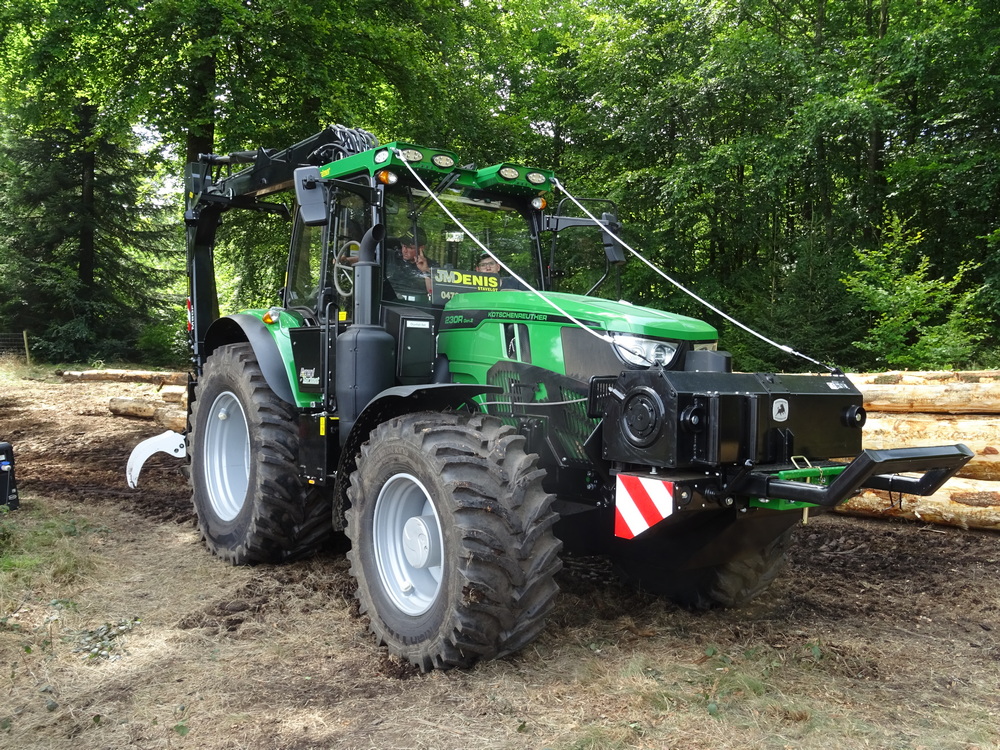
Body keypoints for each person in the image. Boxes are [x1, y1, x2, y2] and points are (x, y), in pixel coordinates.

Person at [387, 228, 435, 299]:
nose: (404, 250)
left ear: (421, 248)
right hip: (390, 301)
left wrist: (425, 271)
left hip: (416, 305)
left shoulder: (431, 266)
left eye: (409, 248)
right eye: (403, 245)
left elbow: (433, 294)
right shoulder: (390, 256)